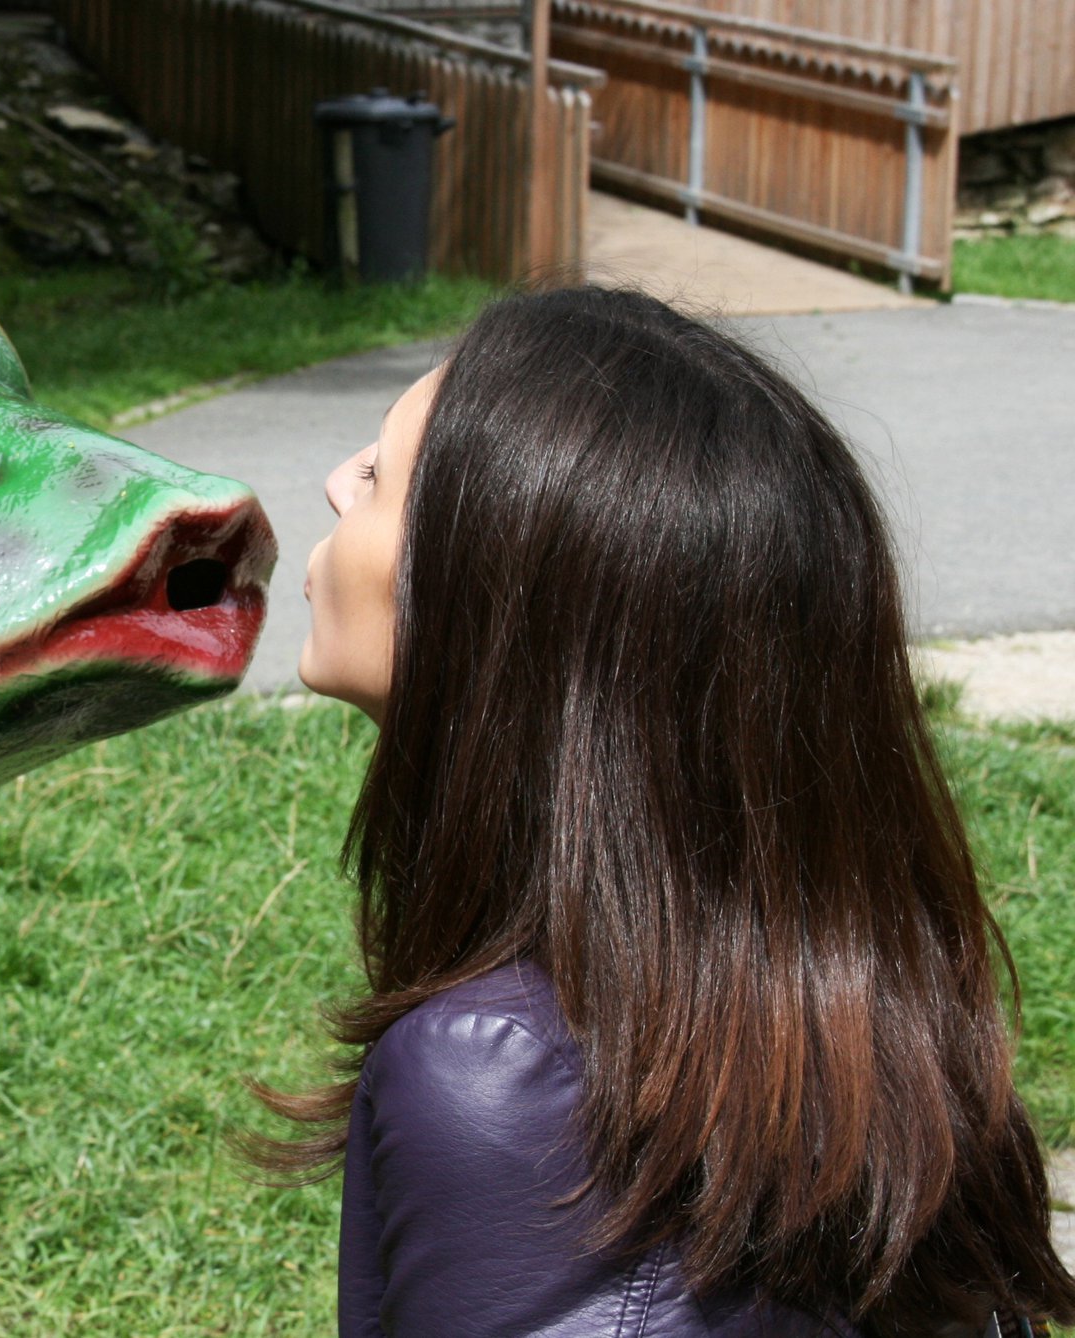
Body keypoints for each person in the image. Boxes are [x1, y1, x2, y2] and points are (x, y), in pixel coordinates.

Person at [254, 286, 1075, 1337]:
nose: (332, 486)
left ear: (498, 594)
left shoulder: (502, 1072)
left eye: (376, 477)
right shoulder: (833, 1005)